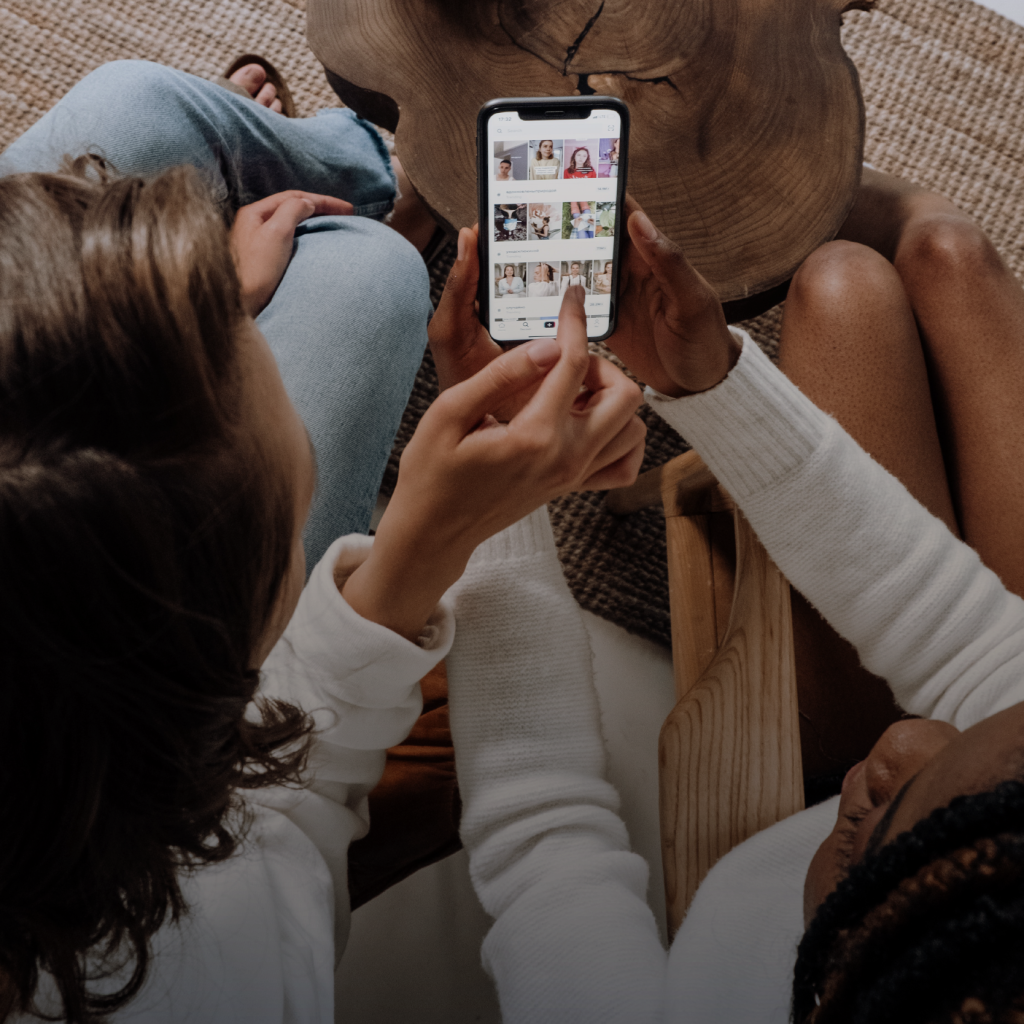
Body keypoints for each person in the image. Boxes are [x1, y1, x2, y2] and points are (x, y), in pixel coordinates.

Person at [0, 58, 649, 1024]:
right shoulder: (232, 962)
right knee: (366, 271)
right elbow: (292, 805)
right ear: (235, 668)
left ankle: (369, 166)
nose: (249, 312)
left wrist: (185, 310)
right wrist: (448, 540)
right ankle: (376, 189)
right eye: (252, 355)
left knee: (130, 111)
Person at [435, 177, 1024, 1022]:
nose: (904, 747)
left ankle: (892, 217)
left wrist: (491, 487)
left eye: (896, 827)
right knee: (932, 261)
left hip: (810, 764)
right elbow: (964, 635)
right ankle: (914, 225)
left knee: (845, 286)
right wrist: (717, 388)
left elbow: (540, 833)